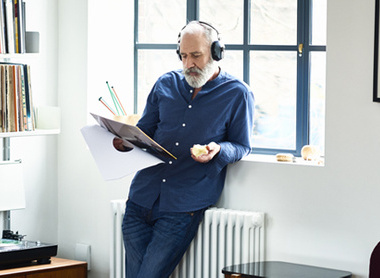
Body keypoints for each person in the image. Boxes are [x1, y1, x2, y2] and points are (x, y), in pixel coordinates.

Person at [120, 21, 255, 278]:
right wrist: (123, 140)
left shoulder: (237, 93)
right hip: (140, 197)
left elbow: (242, 145)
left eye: (196, 55)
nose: (189, 64)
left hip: (183, 205)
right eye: (183, 56)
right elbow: (145, 130)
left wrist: (219, 149)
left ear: (216, 53)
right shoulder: (165, 84)